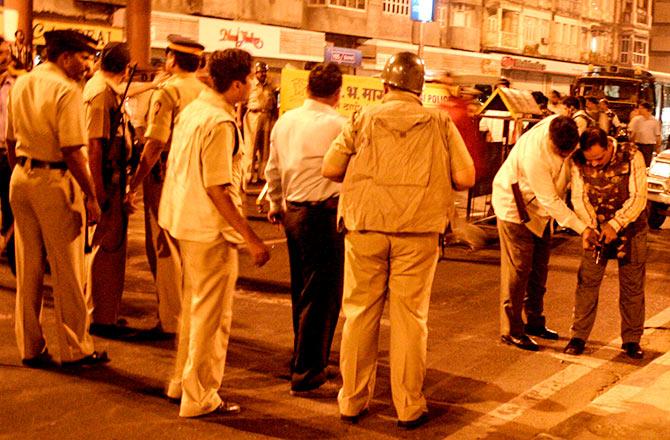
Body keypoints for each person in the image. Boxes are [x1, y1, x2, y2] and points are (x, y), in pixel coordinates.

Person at [322, 51, 475, 429]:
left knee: (359, 315)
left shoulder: (362, 117)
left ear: (386, 85)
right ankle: (408, 406)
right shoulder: (439, 121)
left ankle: (353, 401)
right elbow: (466, 176)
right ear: (418, 88)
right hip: (419, 233)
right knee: (410, 319)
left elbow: (330, 168)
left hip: (366, 228)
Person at [159, 48, 270, 417]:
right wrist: (250, 238)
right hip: (208, 230)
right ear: (237, 84)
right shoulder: (220, 123)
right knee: (211, 318)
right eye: (250, 79)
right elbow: (217, 187)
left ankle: (181, 382)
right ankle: (201, 395)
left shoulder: (194, 111)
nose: (253, 84)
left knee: (193, 310)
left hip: (180, 220)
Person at [6, 30, 108, 367]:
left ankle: (30, 347)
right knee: (68, 270)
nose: (88, 65)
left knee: (29, 266)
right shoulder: (66, 90)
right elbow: (72, 150)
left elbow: (9, 140)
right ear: (65, 57)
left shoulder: (22, 83)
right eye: (84, 58)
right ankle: (76, 348)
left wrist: (23, 169)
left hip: (21, 177)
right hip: (55, 181)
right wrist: (92, 198)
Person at [265, 62, 346, 396]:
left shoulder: (286, 121)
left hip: (293, 213)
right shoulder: (340, 125)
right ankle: (308, 370)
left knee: (302, 289)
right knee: (322, 295)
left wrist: (275, 202)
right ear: (338, 93)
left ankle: (303, 356)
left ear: (308, 89)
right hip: (322, 216)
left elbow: (273, 167)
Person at [492, 115, 598, 352]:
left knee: (539, 269)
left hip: (542, 213)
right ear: (551, 140)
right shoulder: (535, 156)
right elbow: (548, 199)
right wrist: (583, 228)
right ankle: (512, 331)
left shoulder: (567, 127)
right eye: (561, 153)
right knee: (518, 272)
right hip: (515, 208)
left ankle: (535, 322)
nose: (565, 157)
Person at [126, 34, 207, 338]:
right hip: (196, 177)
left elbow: (154, 145)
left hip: (166, 176)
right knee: (188, 246)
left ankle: (171, 319)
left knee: (163, 245)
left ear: (172, 59)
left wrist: (134, 183)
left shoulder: (167, 92)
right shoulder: (204, 91)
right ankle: (188, 312)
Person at [565, 128, 647, 359]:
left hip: (631, 229)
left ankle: (631, 340)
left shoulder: (631, 155)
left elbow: (639, 197)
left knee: (632, 287)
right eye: (590, 160)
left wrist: (616, 224)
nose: (595, 165)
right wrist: (590, 226)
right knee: (587, 283)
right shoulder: (578, 160)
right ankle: (578, 336)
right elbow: (578, 197)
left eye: (599, 158)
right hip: (597, 229)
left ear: (609, 146)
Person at [82, 42, 132, 338]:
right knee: (106, 249)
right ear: (124, 69)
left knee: (111, 249)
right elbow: (94, 143)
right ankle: (101, 318)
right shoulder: (101, 93)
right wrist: (96, 190)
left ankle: (106, 310)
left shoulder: (105, 88)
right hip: (106, 178)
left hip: (111, 176)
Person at [242, 61, 277, 184]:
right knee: (251, 147)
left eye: (264, 72)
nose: (263, 74)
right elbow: (241, 102)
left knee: (265, 148)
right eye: (260, 72)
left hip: (267, 116)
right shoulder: (250, 85)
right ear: (256, 72)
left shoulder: (270, 86)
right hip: (253, 116)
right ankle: (249, 175)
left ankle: (262, 175)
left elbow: (274, 104)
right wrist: (238, 119)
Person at [0, 37, 16, 272]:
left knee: (12, 207)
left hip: (7, 153)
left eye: (7, 52)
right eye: (1, 53)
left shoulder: (17, 83)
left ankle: (16, 262)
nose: (5, 56)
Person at [628, 101, 661, 166]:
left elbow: (658, 135)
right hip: (637, 145)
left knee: (646, 163)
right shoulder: (636, 120)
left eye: (641, 108)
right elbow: (630, 132)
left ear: (647, 110)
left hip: (648, 146)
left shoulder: (654, 121)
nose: (639, 110)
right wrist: (631, 143)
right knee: (635, 163)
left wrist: (658, 147)